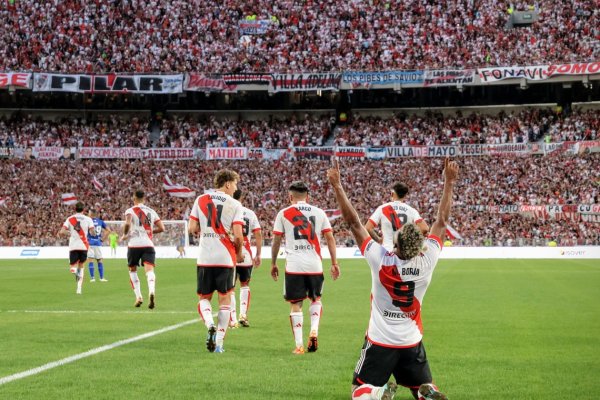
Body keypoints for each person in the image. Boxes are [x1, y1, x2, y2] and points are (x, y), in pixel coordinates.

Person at [327, 158, 457, 400]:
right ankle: (426, 392)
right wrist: (449, 182)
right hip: (411, 341)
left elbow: (354, 222)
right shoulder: (427, 260)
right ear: (420, 246)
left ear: (394, 244)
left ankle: (377, 392)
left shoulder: (380, 259)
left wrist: (338, 186)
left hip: (380, 341)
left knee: (357, 391)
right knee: (420, 386)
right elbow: (441, 222)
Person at [270, 181, 340, 355]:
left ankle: (300, 345)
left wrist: (273, 263)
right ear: (307, 196)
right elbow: (330, 238)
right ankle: (314, 330)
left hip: (294, 266)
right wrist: (334, 263)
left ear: (290, 196)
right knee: (315, 299)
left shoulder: (283, 213)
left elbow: (276, 240)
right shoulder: (319, 212)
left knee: (296, 304)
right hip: (314, 265)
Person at [188, 169, 244, 353]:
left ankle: (210, 324)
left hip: (205, 256)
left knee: (204, 298)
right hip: (225, 257)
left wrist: (205, 231)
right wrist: (239, 253)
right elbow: (238, 236)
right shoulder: (235, 204)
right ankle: (219, 343)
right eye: (235, 184)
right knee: (225, 299)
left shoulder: (200, 199)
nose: (236, 188)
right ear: (227, 184)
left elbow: (192, 228)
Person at [121, 190, 164, 309]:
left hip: (134, 244)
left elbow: (128, 224)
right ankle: (151, 291)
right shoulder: (151, 211)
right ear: (144, 198)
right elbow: (162, 228)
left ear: (134, 198)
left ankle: (139, 296)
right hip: (148, 244)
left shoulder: (130, 211)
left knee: (132, 270)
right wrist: (149, 232)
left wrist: (125, 234)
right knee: (149, 271)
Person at [230, 189, 262, 328]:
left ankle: (232, 319)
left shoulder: (227, 210)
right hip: (246, 253)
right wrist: (258, 254)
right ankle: (243, 315)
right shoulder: (250, 213)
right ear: (241, 197)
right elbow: (258, 234)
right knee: (245, 285)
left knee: (230, 288)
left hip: (230, 251)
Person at [364, 182, 429, 250]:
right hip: (404, 252)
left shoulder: (382, 208)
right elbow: (424, 229)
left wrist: (379, 240)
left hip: (387, 251)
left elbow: (368, 228)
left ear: (392, 194)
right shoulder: (412, 210)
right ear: (405, 196)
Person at [58, 202, 95, 295]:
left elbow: (62, 232)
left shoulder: (70, 219)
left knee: (72, 267)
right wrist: (92, 233)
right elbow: (93, 232)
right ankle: (79, 289)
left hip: (73, 246)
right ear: (83, 209)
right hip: (84, 246)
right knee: (81, 266)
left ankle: (74, 271)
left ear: (75, 209)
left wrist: (69, 233)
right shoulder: (88, 219)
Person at [87, 208, 111, 282]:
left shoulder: (88, 221)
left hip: (90, 243)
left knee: (90, 260)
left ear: (91, 214)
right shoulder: (100, 221)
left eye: (88, 213)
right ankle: (101, 278)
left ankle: (92, 278)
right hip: (98, 243)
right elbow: (109, 230)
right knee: (99, 260)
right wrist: (102, 239)